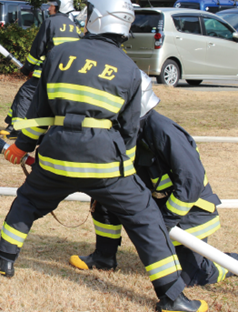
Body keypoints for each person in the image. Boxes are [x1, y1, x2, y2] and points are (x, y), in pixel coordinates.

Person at [0, 0, 207, 312]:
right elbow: (130, 131)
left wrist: (22, 147)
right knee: (145, 219)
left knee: (28, 201)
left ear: (92, 18)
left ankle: (3, 260)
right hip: (104, 165)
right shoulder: (130, 70)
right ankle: (172, 297)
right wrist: (119, 169)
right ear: (125, 25)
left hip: (56, 158)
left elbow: (38, 114)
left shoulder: (59, 55)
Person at [70, 71, 237, 287]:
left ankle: (230, 261)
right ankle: (104, 257)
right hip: (155, 205)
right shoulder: (124, 128)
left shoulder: (164, 132)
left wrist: (165, 221)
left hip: (187, 214)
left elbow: (190, 183)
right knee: (105, 194)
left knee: (192, 276)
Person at [1, 0, 80, 139]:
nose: (49, 8)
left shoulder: (50, 22)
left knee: (26, 94)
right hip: (67, 74)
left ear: (60, 6)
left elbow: (37, 48)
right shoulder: (74, 26)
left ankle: (17, 128)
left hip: (49, 72)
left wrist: (27, 68)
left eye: (52, 5)